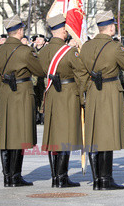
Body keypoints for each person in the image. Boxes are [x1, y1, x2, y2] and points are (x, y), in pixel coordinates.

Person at [79, 11, 124, 190]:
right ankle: (105, 179)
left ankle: (97, 179)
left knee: (95, 135)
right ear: (110, 27)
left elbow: (80, 72)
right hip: (110, 91)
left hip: (92, 91)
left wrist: (83, 92)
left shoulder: (86, 46)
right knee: (108, 135)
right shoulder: (115, 47)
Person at [0, 15, 45, 187]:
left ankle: (8, 176)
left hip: (5, 94)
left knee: (6, 135)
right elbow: (40, 70)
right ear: (20, 31)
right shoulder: (25, 51)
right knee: (19, 135)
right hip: (21, 93)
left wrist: (2, 97)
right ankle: (15, 176)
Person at [39, 14, 86, 188]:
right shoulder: (69, 51)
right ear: (63, 30)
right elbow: (81, 74)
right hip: (67, 94)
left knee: (53, 136)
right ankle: (62, 177)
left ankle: (55, 177)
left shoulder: (43, 51)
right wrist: (83, 98)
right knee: (64, 136)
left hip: (51, 94)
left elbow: (39, 70)